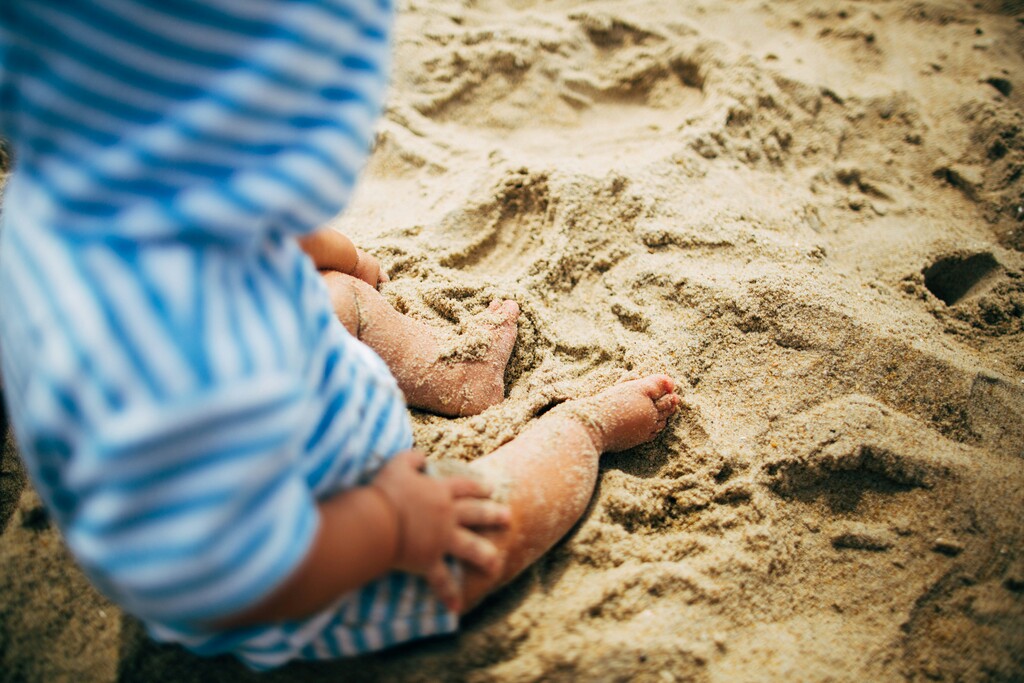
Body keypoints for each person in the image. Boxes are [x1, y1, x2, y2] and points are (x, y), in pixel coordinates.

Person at [0, 0, 680, 670]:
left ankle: (457, 376)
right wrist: (390, 522)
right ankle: (583, 430)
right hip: (310, 564)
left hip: (298, 397)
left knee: (337, 294)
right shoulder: (169, 374)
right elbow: (227, 574)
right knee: (479, 540)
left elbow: (246, 224)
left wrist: (334, 254)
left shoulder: (79, 200)